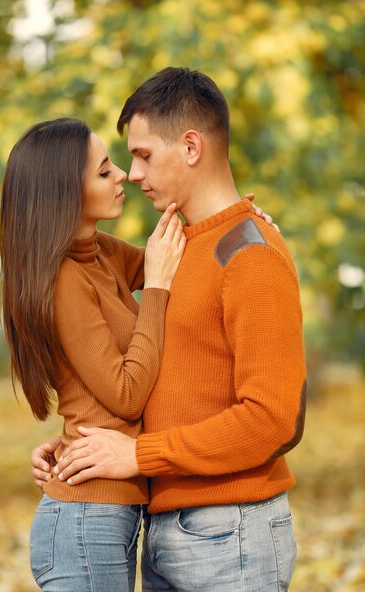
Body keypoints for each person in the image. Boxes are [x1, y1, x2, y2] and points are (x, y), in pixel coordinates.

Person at [33, 67, 306, 592]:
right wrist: (83, 442)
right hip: (164, 528)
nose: (133, 174)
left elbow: (272, 420)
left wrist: (137, 454)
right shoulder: (180, 248)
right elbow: (175, 380)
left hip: (233, 533)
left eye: (143, 155)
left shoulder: (251, 255)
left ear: (190, 146)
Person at [0, 117, 187, 592]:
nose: (123, 174)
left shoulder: (99, 253)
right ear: (66, 193)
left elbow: (180, 257)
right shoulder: (65, 280)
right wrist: (158, 292)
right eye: (105, 172)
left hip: (107, 516)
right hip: (86, 521)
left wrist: (242, 222)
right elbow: (125, 395)